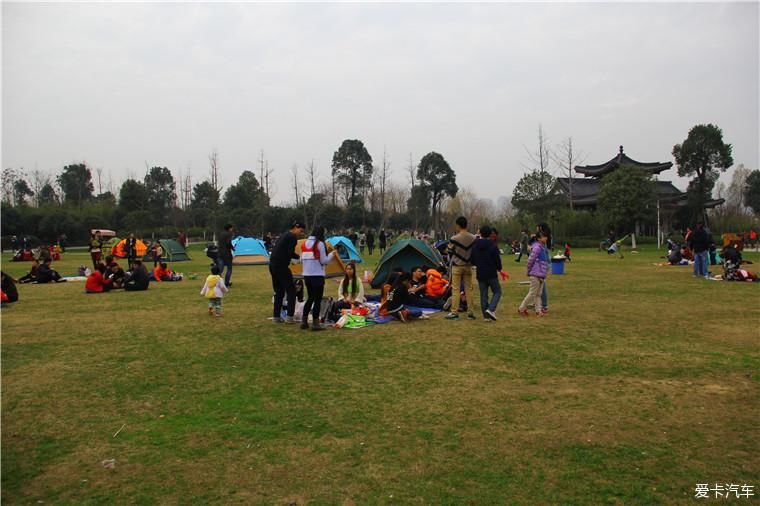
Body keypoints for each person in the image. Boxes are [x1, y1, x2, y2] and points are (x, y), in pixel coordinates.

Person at [300, 226, 336, 331]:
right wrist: (332, 255)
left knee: (310, 298)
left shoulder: (304, 243)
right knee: (317, 299)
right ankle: (315, 324)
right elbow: (324, 261)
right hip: (317, 275)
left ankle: (304, 321)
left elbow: (301, 259)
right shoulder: (319, 244)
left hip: (306, 275)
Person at [269, 222, 305, 323]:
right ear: (295, 227)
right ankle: (289, 317)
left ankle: (276, 317)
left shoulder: (284, 235)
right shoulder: (292, 237)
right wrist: (299, 257)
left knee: (279, 291)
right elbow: (290, 253)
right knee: (291, 291)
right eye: (301, 231)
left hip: (272, 265)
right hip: (281, 266)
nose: (300, 234)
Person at [445, 216, 476, 321]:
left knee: (456, 289)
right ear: (466, 224)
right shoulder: (473, 238)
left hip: (457, 266)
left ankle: (454, 312)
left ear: (458, 225)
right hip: (468, 266)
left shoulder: (454, 238)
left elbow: (449, 251)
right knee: (469, 289)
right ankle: (470, 312)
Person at [471, 225, 502, 321]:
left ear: (480, 233)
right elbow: (497, 260)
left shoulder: (475, 245)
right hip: (491, 273)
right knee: (497, 291)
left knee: (483, 295)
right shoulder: (493, 245)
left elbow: (472, 260)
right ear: (490, 234)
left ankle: (486, 316)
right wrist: (499, 268)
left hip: (480, 273)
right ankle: (491, 309)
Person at [518, 231, 549, 316]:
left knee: (538, 294)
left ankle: (538, 311)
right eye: (544, 237)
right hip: (535, 275)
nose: (546, 238)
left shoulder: (542, 248)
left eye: (546, 236)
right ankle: (521, 308)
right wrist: (528, 271)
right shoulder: (537, 248)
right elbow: (530, 260)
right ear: (539, 238)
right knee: (532, 293)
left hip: (541, 275)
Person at [537, 222, 553, 312]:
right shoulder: (549, 236)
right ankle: (538, 302)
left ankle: (544, 305)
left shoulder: (544, 238)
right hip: (546, 263)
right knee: (538, 283)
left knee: (542, 284)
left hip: (544, 264)